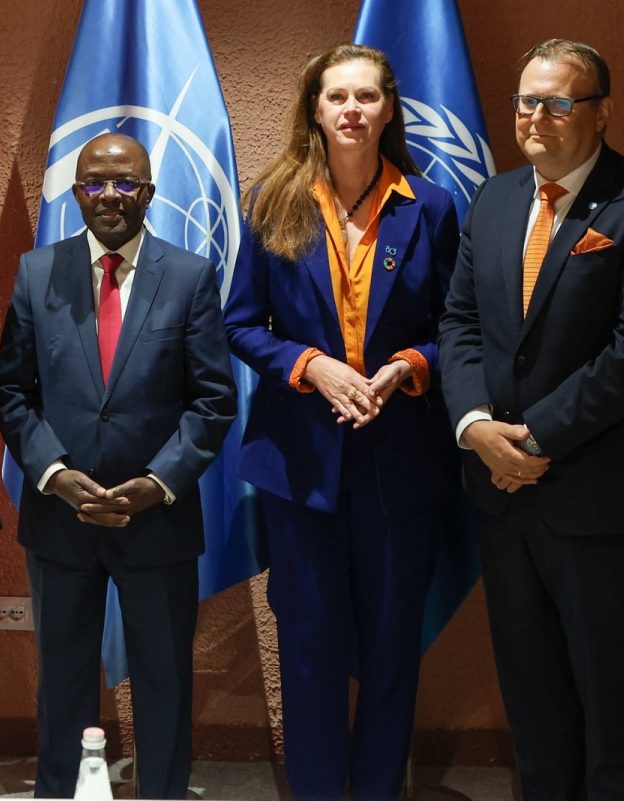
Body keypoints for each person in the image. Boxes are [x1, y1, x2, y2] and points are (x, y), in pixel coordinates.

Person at [439, 40, 624, 801]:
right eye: (527, 101)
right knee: (533, 697)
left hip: (600, 498)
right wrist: (474, 426)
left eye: (559, 102)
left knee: (608, 695)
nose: (536, 117)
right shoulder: (493, 202)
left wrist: (531, 439)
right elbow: (459, 323)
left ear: (601, 112)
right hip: (503, 494)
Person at [224, 45, 460, 801]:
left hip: (401, 458)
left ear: (389, 108)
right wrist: (310, 365)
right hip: (301, 463)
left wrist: (410, 365)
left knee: (392, 648)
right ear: (315, 111)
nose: (352, 110)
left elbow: (457, 327)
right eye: (337, 97)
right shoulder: (273, 201)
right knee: (310, 647)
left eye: (367, 96)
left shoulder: (431, 206)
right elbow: (240, 324)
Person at [0, 132, 235, 800]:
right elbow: (11, 391)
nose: (109, 195)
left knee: (164, 679)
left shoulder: (188, 277)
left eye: (125, 182)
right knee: (62, 679)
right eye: (94, 182)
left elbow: (213, 400)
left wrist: (158, 483)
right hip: (61, 517)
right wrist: (54, 473)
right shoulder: (38, 272)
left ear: (148, 193)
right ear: (75, 193)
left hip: (156, 519)